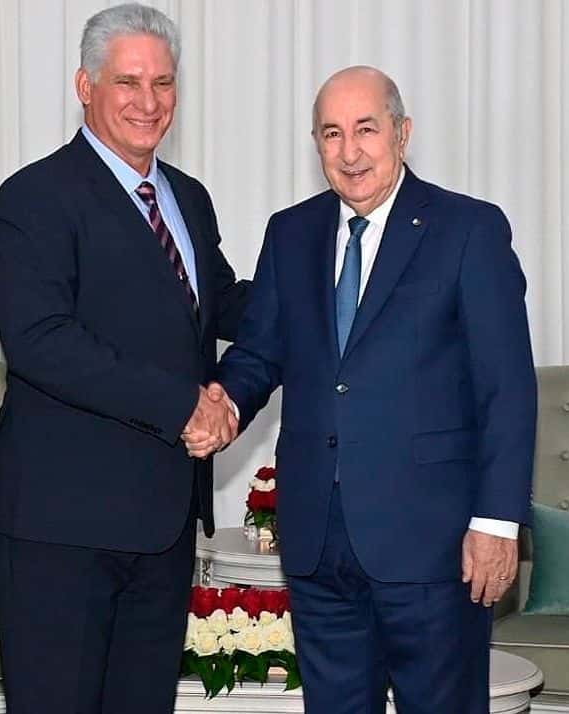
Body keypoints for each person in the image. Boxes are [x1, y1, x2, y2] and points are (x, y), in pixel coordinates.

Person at [194, 66, 537, 713]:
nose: (349, 151)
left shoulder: (468, 230)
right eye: (331, 134)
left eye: (365, 129)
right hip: (318, 540)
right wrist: (228, 403)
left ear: (402, 134)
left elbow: (508, 388)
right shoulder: (290, 233)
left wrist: (496, 524)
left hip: (435, 545)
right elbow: (262, 350)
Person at [0, 4, 248, 712]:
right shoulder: (33, 198)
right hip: (60, 524)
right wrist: (184, 403)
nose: (148, 102)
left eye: (163, 83)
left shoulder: (188, 198)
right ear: (85, 85)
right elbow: (42, 342)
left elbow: (221, 307)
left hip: (161, 524)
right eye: (128, 82)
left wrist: (339, 293)